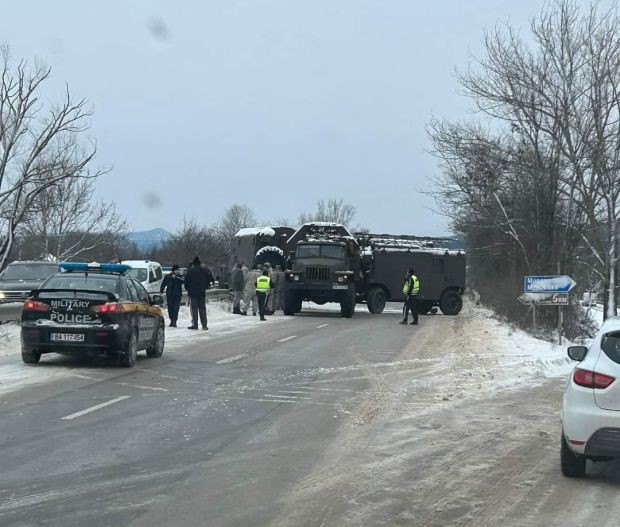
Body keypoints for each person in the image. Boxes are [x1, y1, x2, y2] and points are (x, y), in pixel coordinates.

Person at [184, 256, 210, 330]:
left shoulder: (190, 271)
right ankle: (204, 325)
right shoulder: (204, 271)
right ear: (199, 263)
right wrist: (204, 287)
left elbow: (186, 283)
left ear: (193, 263)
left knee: (194, 309)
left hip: (193, 293)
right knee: (202, 309)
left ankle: (195, 324)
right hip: (202, 293)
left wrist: (189, 290)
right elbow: (208, 281)